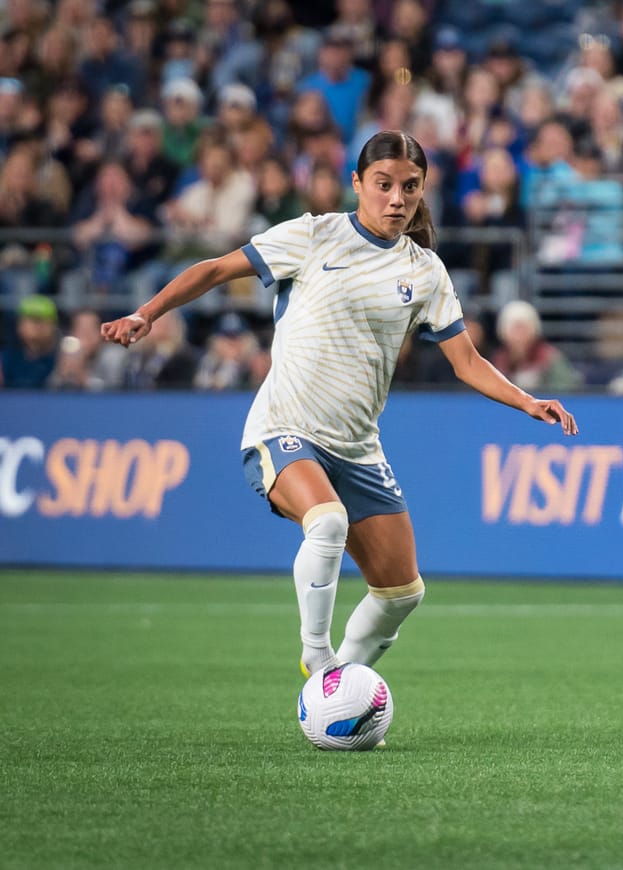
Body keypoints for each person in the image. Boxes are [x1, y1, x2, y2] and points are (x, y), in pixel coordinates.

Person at [103, 131, 578, 682]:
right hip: (285, 428)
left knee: (403, 593)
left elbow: (466, 361)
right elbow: (212, 270)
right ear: (357, 184)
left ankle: (333, 692)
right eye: (383, 185)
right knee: (327, 523)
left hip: (357, 448)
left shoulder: (425, 272)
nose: (397, 199)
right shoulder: (312, 236)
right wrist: (148, 312)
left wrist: (527, 401)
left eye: (410, 187)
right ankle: (317, 657)